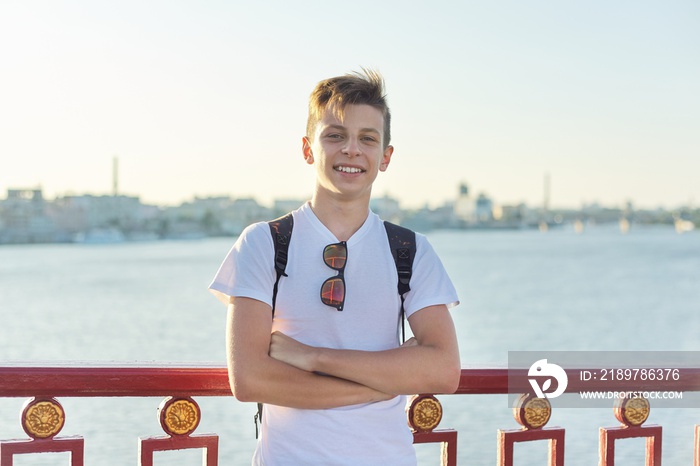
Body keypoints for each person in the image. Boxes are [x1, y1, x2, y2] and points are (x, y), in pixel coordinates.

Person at [209, 69, 460, 466]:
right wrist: (384, 384)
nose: (351, 150)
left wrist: (312, 358)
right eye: (335, 135)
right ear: (308, 149)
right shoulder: (264, 243)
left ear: (385, 157)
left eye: (367, 138)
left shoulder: (410, 250)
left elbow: (444, 370)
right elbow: (250, 379)